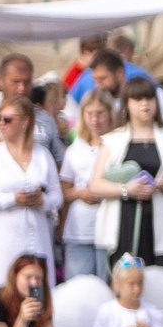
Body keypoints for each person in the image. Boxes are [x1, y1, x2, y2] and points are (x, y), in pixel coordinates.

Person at [93, 86, 163, 271]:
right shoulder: (112, 140)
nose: (145, 104)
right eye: (138, 99)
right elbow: (95, 184)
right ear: (126, 105)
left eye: (149, 99)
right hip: (124, 221)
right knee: (125, 279)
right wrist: (126, 190)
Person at [0, 94, 63, 288]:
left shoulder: (43, 154)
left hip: (38, 232)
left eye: (7, 119)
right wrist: (11, 198)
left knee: (39, 288)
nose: (1, 124)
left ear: (24, 122)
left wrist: (42, 201)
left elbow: (57, 196)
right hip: (4, 234)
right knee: (2, 286)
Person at [0, 53, 65, 168]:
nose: (22, 88)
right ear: (0, 81)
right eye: (16, 82)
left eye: (27, 82)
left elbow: (58, 164)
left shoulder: (46, 120)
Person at [59, 94, 116, 280]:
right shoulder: (76, 149)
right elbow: (63, 190)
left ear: (109, 114)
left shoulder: (117, 146)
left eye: (100, 113)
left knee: (107, 282)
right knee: (78, 285)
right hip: (79, 229)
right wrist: (79, 193)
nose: (95, 119)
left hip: (109, 227)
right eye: (89, 113)